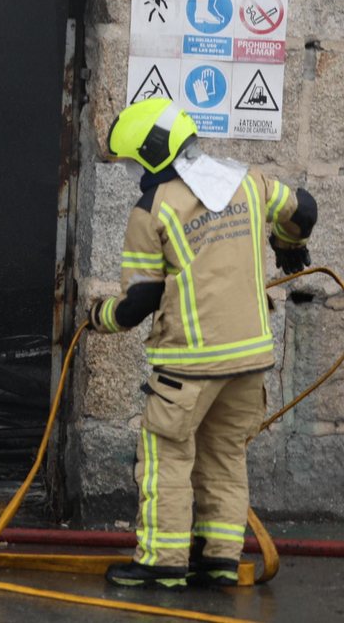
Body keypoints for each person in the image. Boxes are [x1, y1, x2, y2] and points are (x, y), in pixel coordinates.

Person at [90, 98, 317, 589]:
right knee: (224, 457)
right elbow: (304, 208)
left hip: (187, 367)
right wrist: (289, 246)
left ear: (151, 154)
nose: (131, 172)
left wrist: (96, 317)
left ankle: (162, 563)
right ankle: (218, 559)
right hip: (248, 359)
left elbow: (137, 303)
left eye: (131, 162)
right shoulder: (248, 181)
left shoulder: (152, 208)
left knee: (165, 458)